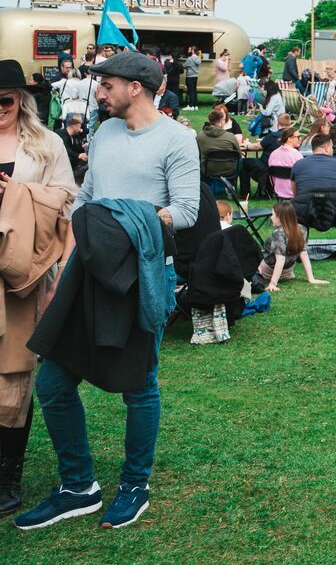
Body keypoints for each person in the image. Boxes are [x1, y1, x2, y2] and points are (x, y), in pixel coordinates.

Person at [18, 50, 200, 531]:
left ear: (134, 87)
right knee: (53, 381)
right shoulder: (105, 132)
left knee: (139, 386)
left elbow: (185, 210)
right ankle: (78, 485)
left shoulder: (178, 139)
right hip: (87, 269)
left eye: (106, 84)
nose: (98, 92)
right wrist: (64, 260)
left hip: (144, 274)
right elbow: (88, 197)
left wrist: (125, 221)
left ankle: (134, 486)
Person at [0, 61, 76, 518]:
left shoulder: (47, 146)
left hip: (22, 275)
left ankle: (8, 473)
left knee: (13, 375)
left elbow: (67, 198)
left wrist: (17, 192)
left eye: (5, 101)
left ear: (22, 101)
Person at [251, 200, 328, 294]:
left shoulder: (278, 233)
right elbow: (303, 255)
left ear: (280, 218)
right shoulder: (302, 229)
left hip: (266, 272)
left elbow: (280, 260)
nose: (271, 218)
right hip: (288, 273)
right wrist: (311, 278)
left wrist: (272, 283)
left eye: (273, 215)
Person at [181, 45, 200, 110]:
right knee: (194, 91)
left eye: (190, 49)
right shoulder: (198, 58)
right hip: (195, 76)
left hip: (189, 76)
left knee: (190, 91)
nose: (188, 51)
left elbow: (184, 65)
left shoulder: (190, 58)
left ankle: (190, 105)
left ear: (192, 51)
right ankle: (195, 105)